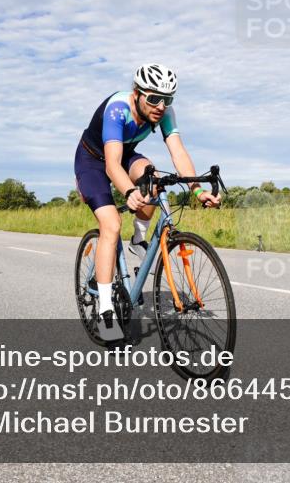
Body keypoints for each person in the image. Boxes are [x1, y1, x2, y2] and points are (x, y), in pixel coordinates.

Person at [75, 64, 220, 338]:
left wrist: (198, 191)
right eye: (153, 98)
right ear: (137, 93)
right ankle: (106, 312)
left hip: (125, 153)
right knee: (111, 224)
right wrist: (129, 192)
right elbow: (112, 165)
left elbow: (178, 153)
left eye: (168, 100)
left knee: (153, 178)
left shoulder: (164, 113)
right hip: (93, 159)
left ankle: (138, 241)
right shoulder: (118, 109)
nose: (161, 106)